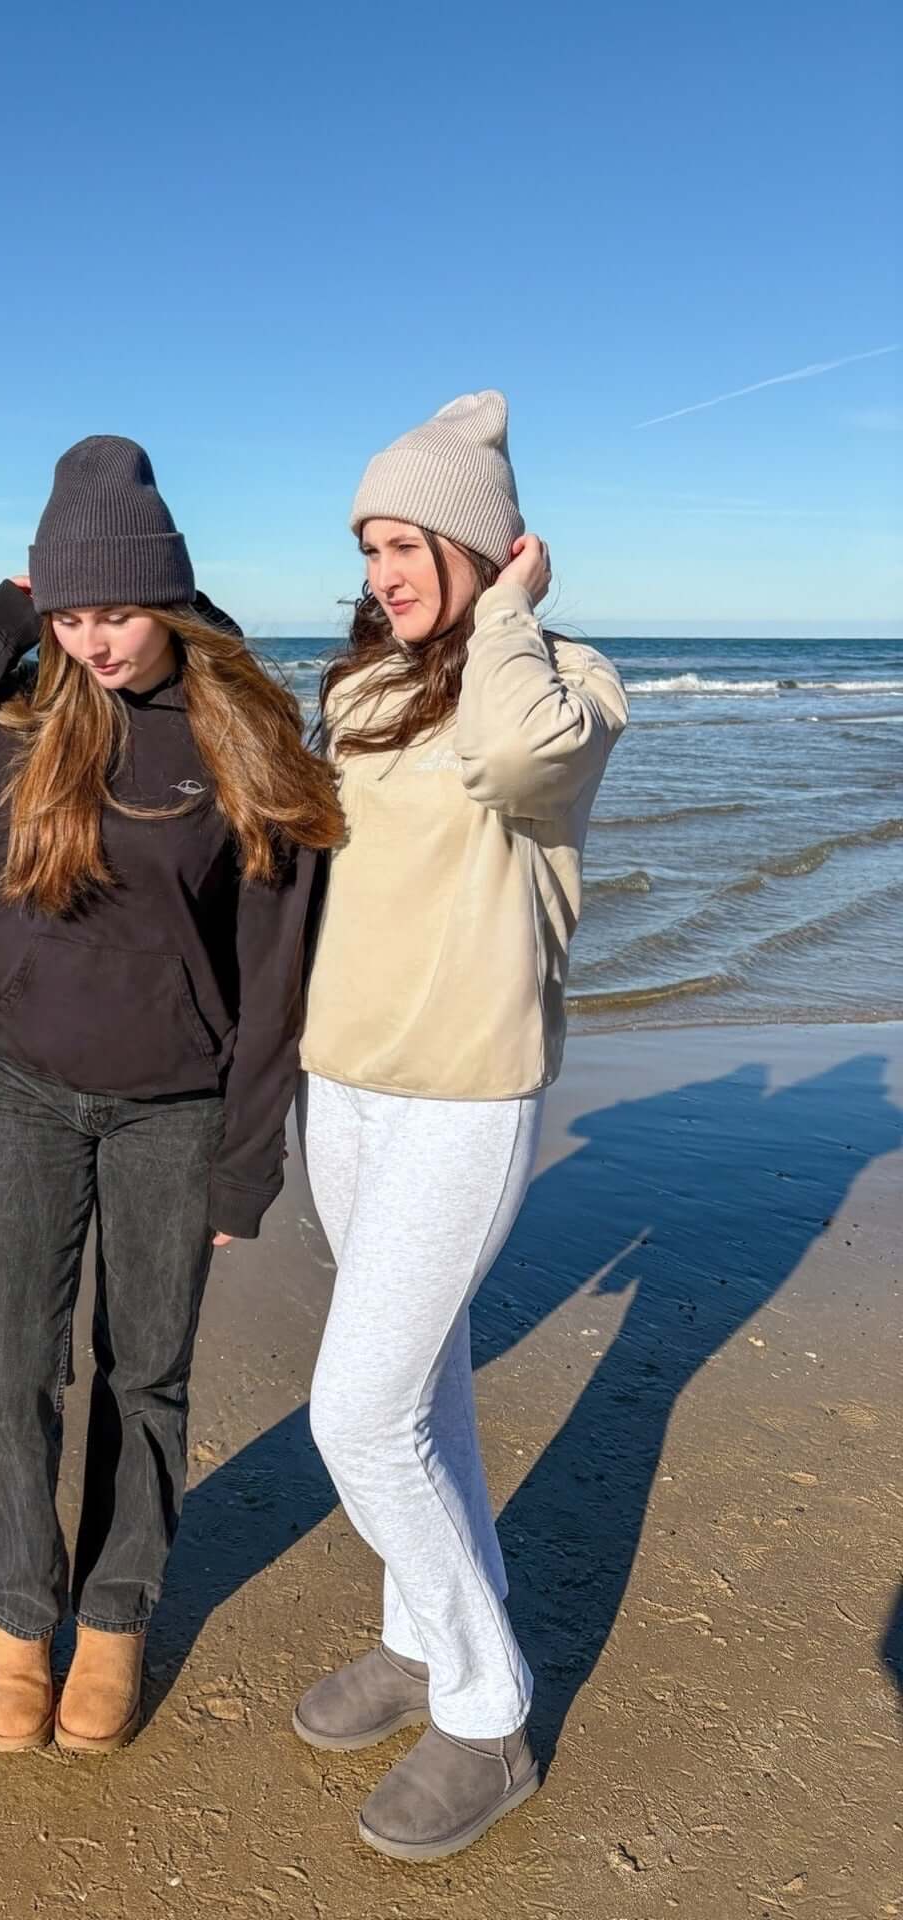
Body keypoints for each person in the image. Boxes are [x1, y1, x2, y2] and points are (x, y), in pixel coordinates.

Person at [0, 437, 344, 1755]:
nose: (94, 640)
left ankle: (112, 1621)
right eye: (70, 612)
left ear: (168, 601)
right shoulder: (13, 735)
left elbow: (275, 975)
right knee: (9, 1380)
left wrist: (247, 1161)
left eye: (117, 609)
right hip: (26, 1100)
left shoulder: (241, 742)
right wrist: (7, 613)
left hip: (175, 1112)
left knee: (145, 1381)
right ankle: (18, 1619)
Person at [292, 392, 628, 1859]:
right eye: (369, 544)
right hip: (344, 1084)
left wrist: (512, 611)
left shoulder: (567, 683)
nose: (384, 570)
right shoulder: (364, 694)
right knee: (423, 1388)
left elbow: (517, 769)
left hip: (465, 1095)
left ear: (482, 545)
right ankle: (419, 1635)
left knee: (355, 1413)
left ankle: (486, 1716)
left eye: (408, 539)